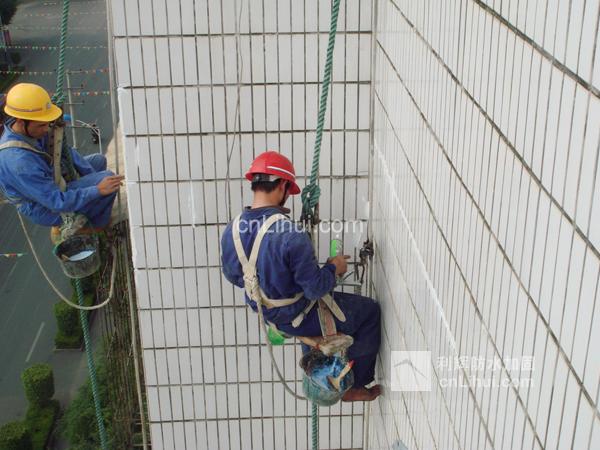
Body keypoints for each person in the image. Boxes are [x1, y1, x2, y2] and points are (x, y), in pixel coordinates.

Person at [221, 151, 381, 402]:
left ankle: (317, 361)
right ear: (283, 186)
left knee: (303, 310)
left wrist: (273, 284)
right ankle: (355, 385)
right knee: (369, 312)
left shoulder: (232, 230)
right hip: (297, 315)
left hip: (268, 315)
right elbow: (315, 289)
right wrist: (334, 268)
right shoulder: (291, 234)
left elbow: (234, 276)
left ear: (255, 184)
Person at [0, 83, 123, 229]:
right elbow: (56, 201)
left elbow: (65, 151)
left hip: (50, 180)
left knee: (99, 161)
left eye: (48, 123)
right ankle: (94, 226)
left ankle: (91, 205)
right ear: (21, 122)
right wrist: (97, 190)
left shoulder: (26, 128)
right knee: (107, 180)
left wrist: (92, 179)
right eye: (42, 125)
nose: (47, 129)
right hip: (44, 207)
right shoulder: (18, 163)